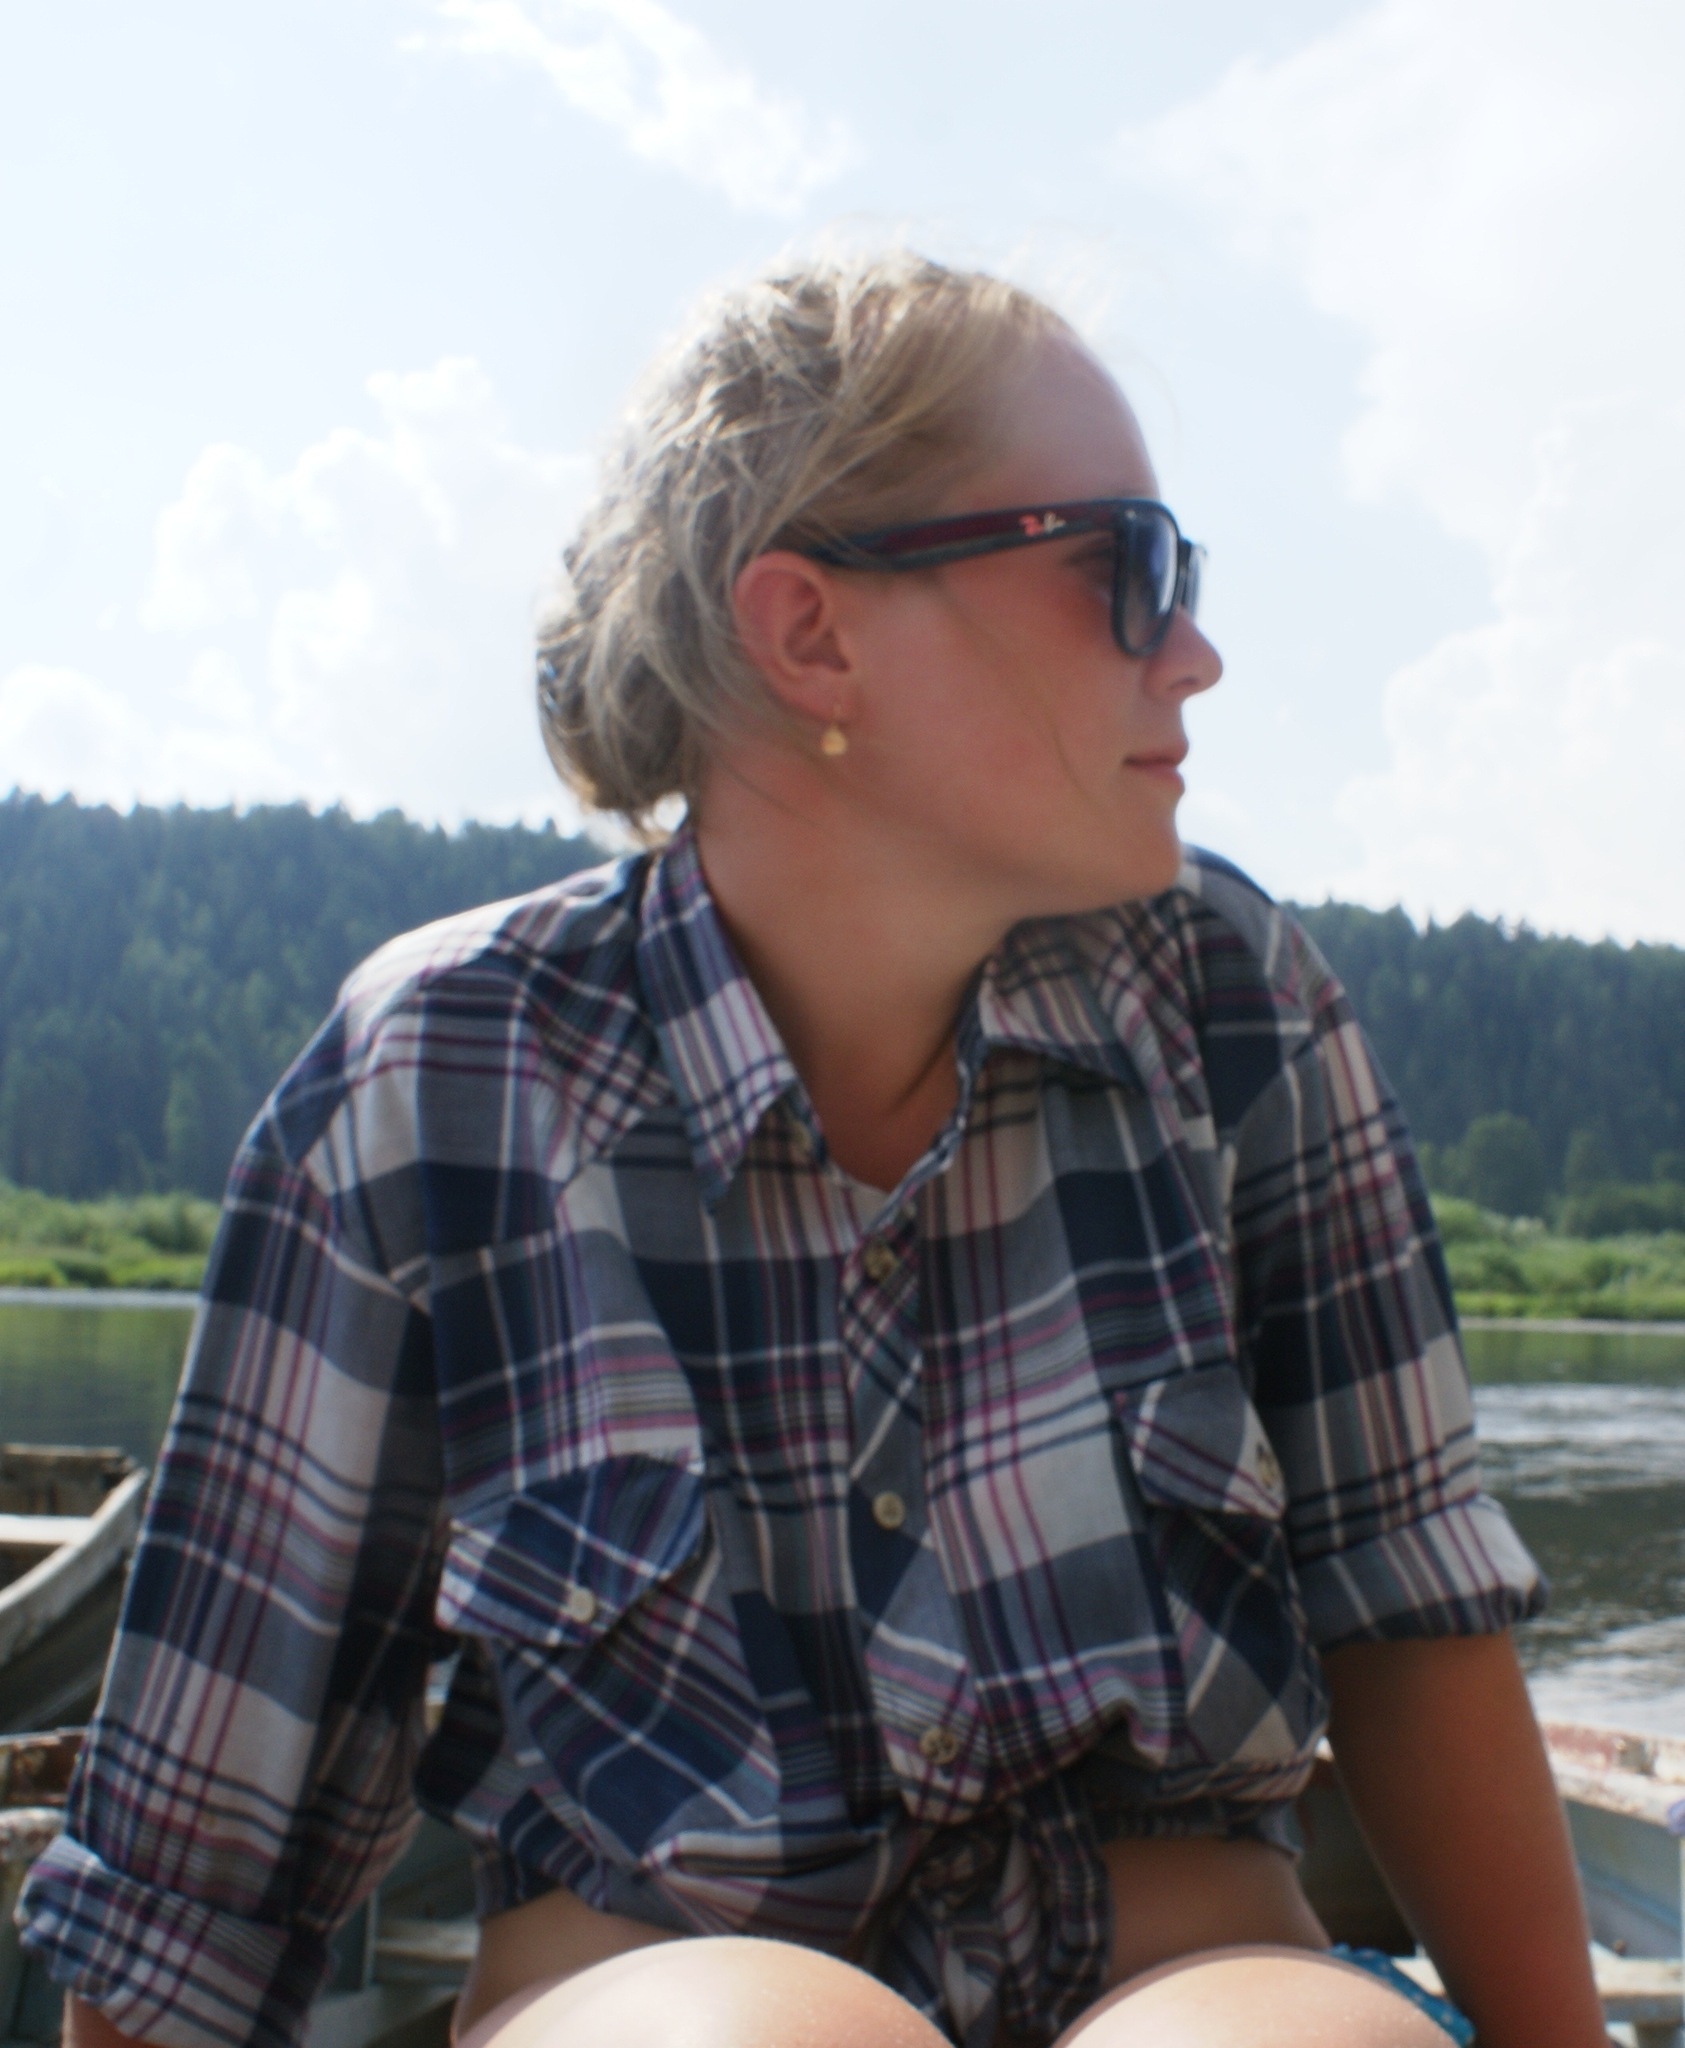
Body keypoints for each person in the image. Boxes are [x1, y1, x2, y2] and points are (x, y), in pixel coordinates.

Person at [19, 253, 1606, 2048]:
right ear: (810, 636)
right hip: (657, 1989)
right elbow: (202, 1868)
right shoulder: (435, 1076)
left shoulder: (1233, 1005)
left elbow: (1408, 1616)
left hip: (1189, 1976)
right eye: (1121, 568)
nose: (1193, 650)